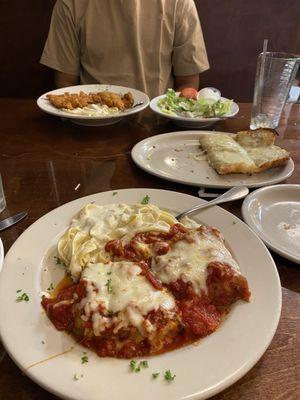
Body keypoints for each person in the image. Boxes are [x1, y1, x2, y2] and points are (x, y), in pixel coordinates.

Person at [41, 0, 209, 99]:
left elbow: (187, 82)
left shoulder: (180, 3)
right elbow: (65, 82)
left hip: (158, 128)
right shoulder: (70, 4)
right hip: (92, 125)